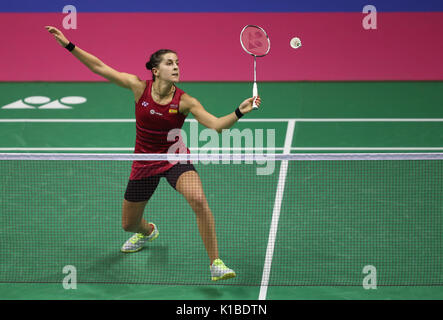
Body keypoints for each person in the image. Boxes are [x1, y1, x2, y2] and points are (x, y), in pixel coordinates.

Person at [45, 26, 261, 281]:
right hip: (144, 163)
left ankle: (216, 263)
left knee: (199, 200)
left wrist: (239, 111)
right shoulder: (139, 88)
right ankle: (148, 231)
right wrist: (69, 45)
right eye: (170, 63)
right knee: (128, 225)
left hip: (175, 160)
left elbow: (214, 125)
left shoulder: (185, 101)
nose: (177, 67)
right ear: (156, 70)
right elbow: (99, 68)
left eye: (178, 62)